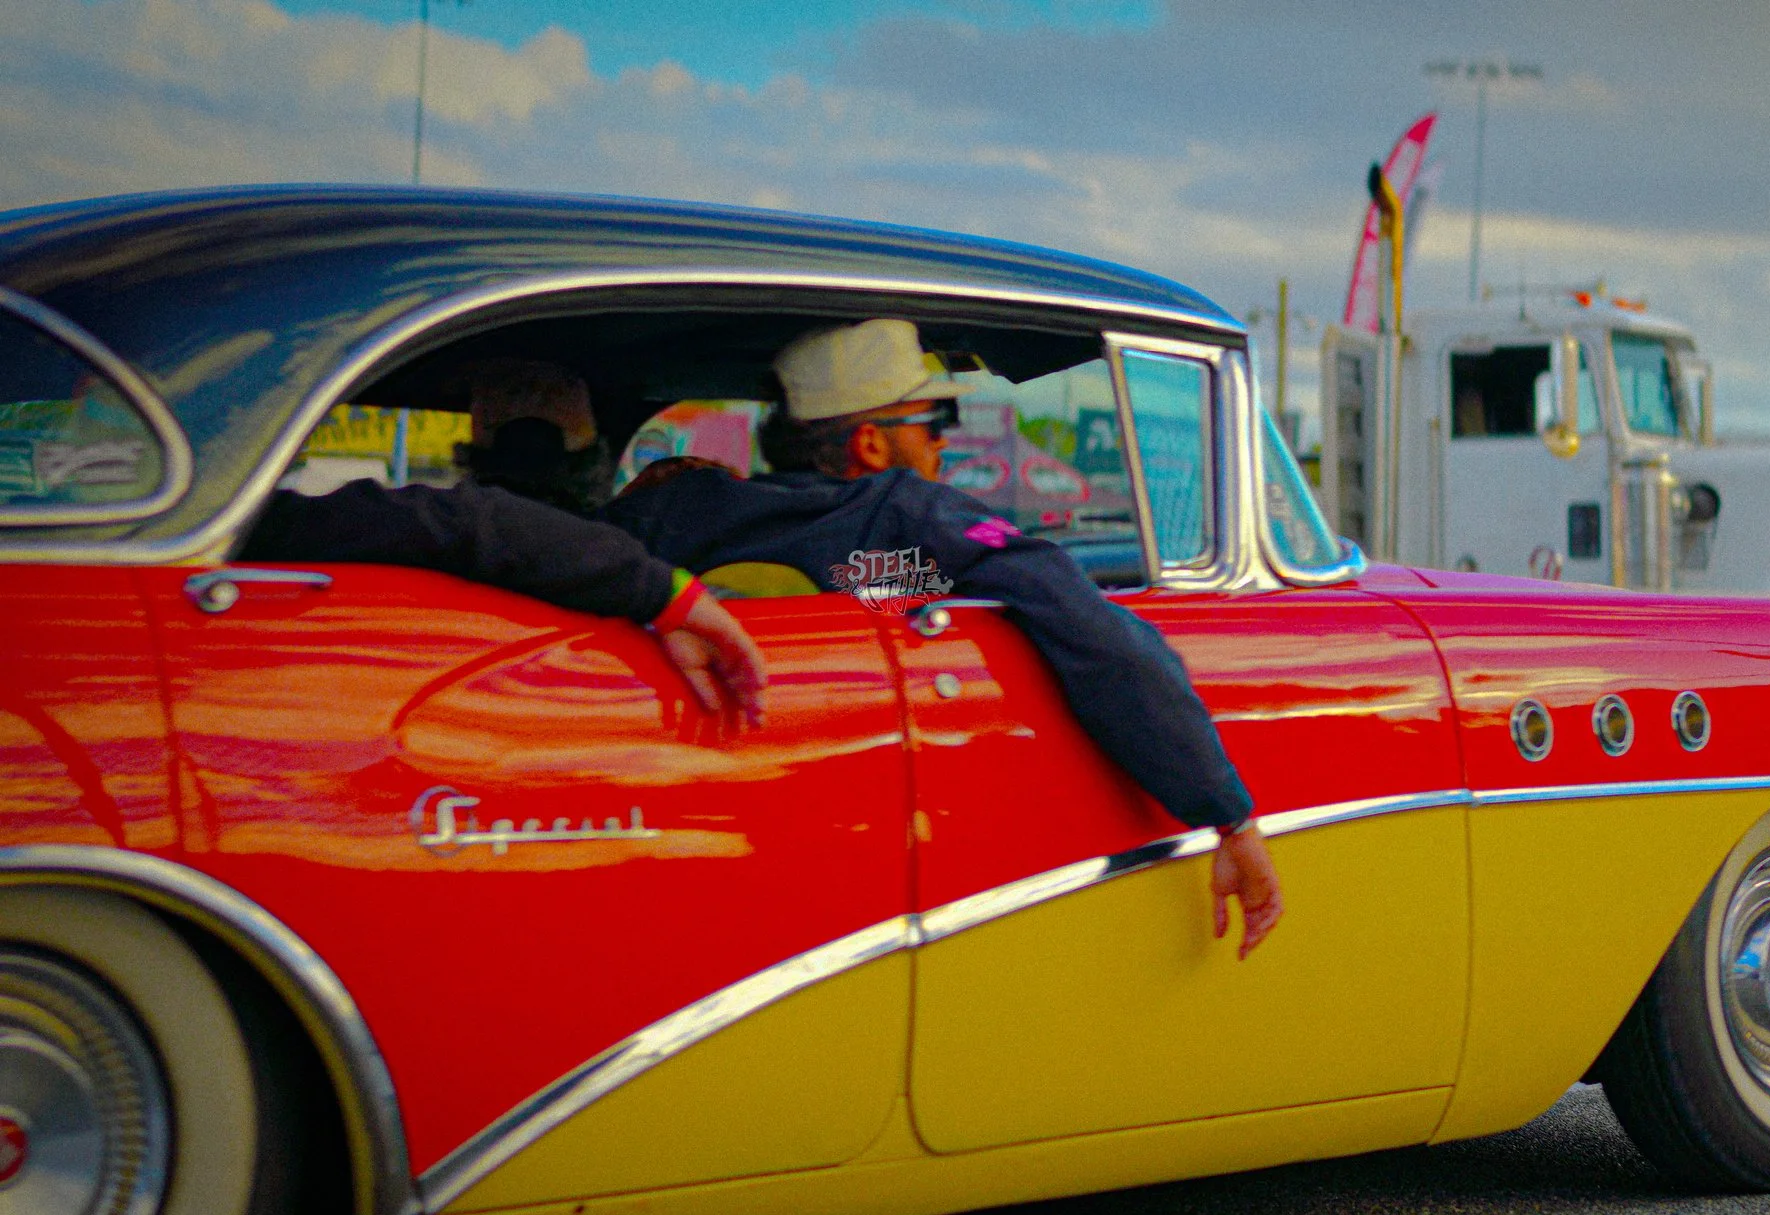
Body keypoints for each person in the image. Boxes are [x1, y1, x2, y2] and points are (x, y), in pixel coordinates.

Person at [602, 319, 1284, 952]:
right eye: (934, 420)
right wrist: (1229, 813)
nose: (944, 440)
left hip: (673, 828)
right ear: (870, 444)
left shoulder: (673, 509)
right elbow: (1095, 632)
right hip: (859, 848)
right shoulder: (918, 516)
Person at [241, 370, 768, 728]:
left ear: (472, 457)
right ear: (595, 464)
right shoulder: (631, 564)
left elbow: (464, 520)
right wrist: (663, 593)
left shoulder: (357, 538)